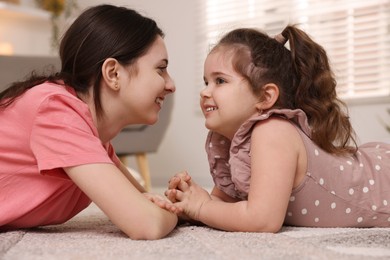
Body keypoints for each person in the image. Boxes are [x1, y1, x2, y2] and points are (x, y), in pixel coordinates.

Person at [165, 25, 390, 232]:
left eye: (220, 81)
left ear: (265, 96)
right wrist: (187, 201)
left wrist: (202, 207)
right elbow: (227, 205)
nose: (205, 92)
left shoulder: (273, 131)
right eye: (206, 82)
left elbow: (262, 220)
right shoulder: (228, 139)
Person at [0, 4, 178, 239]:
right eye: (161, 69)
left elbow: (146, 202)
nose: (171, 85)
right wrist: (175, 215)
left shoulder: (92, 137)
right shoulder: (55, 111)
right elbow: (147, 223)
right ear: (113, 73)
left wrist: (181, 205)